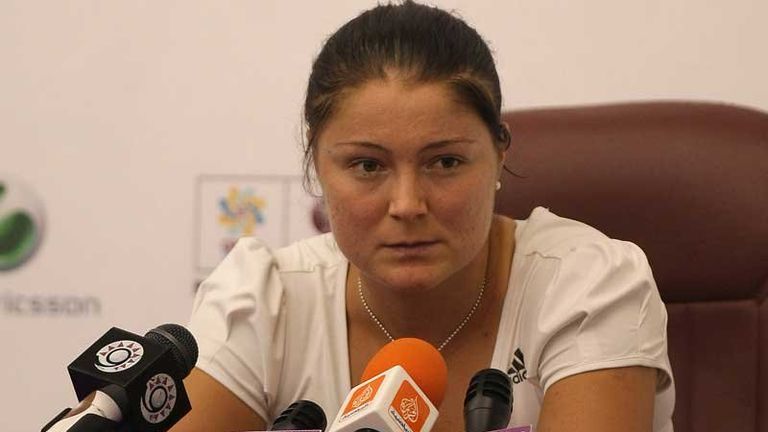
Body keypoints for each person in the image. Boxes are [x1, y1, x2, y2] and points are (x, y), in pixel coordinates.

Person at [172, 2, 674, 431]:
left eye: (445, 162)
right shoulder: (265, 300)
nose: (408, 204)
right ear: (317, 166)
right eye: (368, 166)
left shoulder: (588, 286)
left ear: (499, 154)